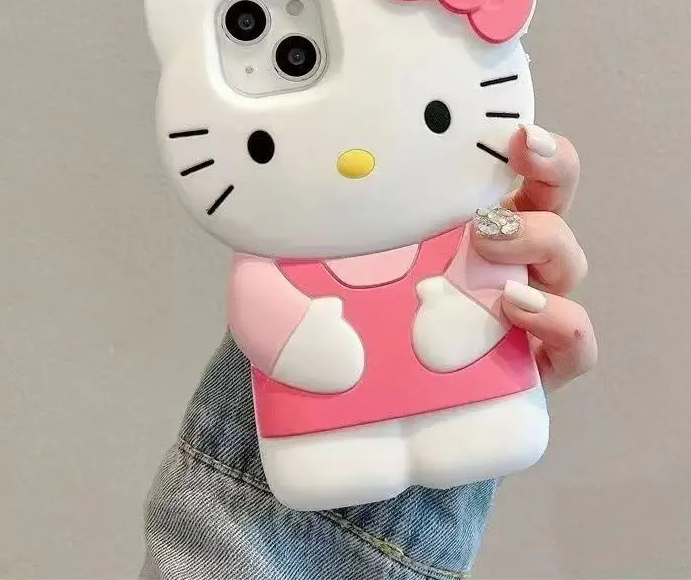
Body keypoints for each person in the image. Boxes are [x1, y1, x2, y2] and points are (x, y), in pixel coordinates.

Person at [140, 126, 597, 580]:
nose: (356, 158)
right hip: (315, 437)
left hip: (452, 404)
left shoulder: (459, 230)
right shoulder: (274, 256)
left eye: (436, 118)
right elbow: (257, 310)